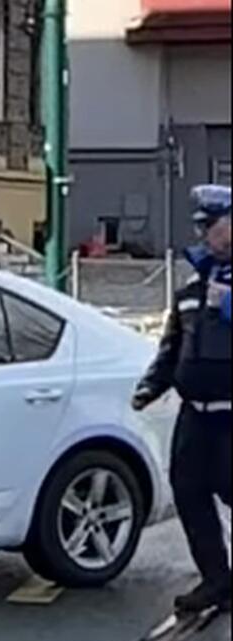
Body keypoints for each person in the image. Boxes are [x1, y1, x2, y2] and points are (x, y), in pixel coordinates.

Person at [132, 184, 232, 615]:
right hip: (196, 412)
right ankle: (216, 579)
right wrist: (151, 386)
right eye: (201, 225)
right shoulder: (193, 283)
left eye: (211, 223)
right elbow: (174, 344)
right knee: (189, 490)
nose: (204, 232)